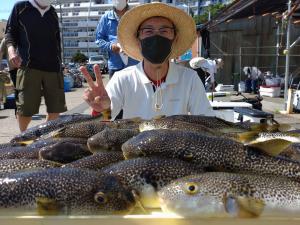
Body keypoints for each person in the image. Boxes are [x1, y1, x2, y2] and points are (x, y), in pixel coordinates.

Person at [81, 2, 215, 120]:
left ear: (174, 39)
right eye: (148, 31)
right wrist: (102, 109)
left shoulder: (189, 79)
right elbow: (105, 121)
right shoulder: (122, 79)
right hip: (133, 148)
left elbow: (207, 122)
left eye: (164, 31)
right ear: (138, 40)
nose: (156, 36)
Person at [5, 0, 67, 132]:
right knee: (25, 109)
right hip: (28, 66)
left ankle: (42, 137)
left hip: (53, 68)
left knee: (55, 109)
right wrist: (11, 51)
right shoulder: (21, 7)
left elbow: (57, 42)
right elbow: (10, 32)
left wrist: (60, 65)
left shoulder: (53, 12)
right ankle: (23, 139)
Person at [95, 0, 139, 79]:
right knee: (114, 91)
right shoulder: (105, 18)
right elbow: (98, 40)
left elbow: (143, 36)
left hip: (135, 65)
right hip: (115, 66)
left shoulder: (135, 15)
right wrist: (111, 46)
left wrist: (131, 47)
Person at [0, 38, 18, 111]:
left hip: (14, 68)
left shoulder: (6, 39)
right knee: (20, 89)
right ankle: (19, 110)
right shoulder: (6, 39)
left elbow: (0, 53)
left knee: (18, 89)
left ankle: (19, 110)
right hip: (17, 68)